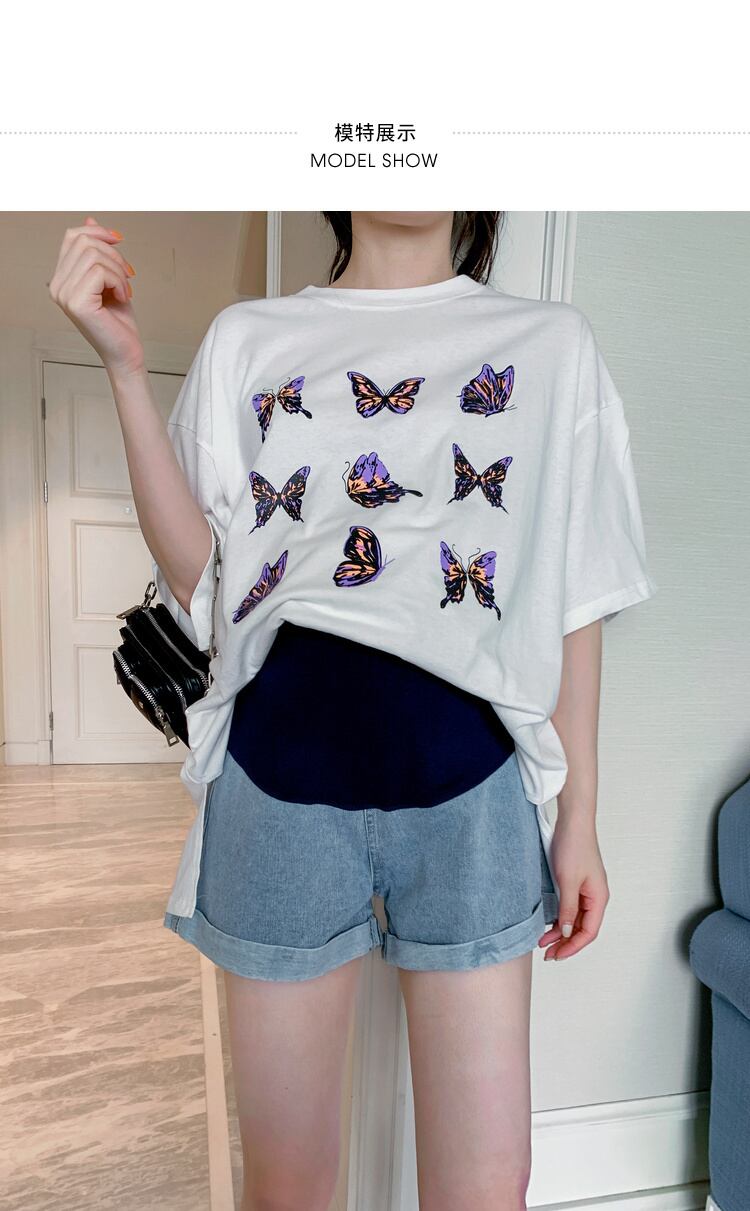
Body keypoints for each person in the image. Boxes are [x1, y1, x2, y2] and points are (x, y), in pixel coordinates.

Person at [49, 211, 656, 1211]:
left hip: (474, 794)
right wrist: (123, 368)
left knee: (487, 1186)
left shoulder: (551, 345)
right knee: (287, 1187)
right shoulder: (251, 337)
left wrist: (580, 813)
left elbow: (575, 586)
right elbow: (205, 582)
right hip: (277, 786)